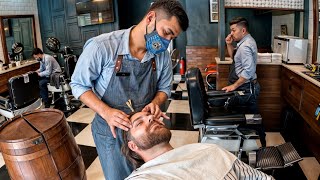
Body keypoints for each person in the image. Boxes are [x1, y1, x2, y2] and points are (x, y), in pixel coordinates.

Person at [70, 0, 189, 179]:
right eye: (166, 33)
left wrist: (156, 103)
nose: (166, 42)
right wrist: (107, 112)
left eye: (172, 38)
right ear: (150, 18)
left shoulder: (160, 55)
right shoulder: (102, 46)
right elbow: (78, 85)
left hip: (144, 133)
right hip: (111, 132)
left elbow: (164, 88)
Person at [122, 111, 274, 180]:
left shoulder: (208, 149)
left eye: (150, 116)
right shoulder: (147, 176)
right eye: (139, 123)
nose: (150, 118)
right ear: (133, 146)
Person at [222, 17, 266, 147]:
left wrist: (234, 86)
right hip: (245, 87)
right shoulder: (243, 42)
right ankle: (244, 143)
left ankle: (260, 144)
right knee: (250, 117)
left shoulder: (246, 46)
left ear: (243, 30)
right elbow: (234, 58)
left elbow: (248, 71)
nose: (231, 33)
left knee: (253, 118)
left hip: (246, 89)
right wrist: (229, 44)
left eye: (233, 30)